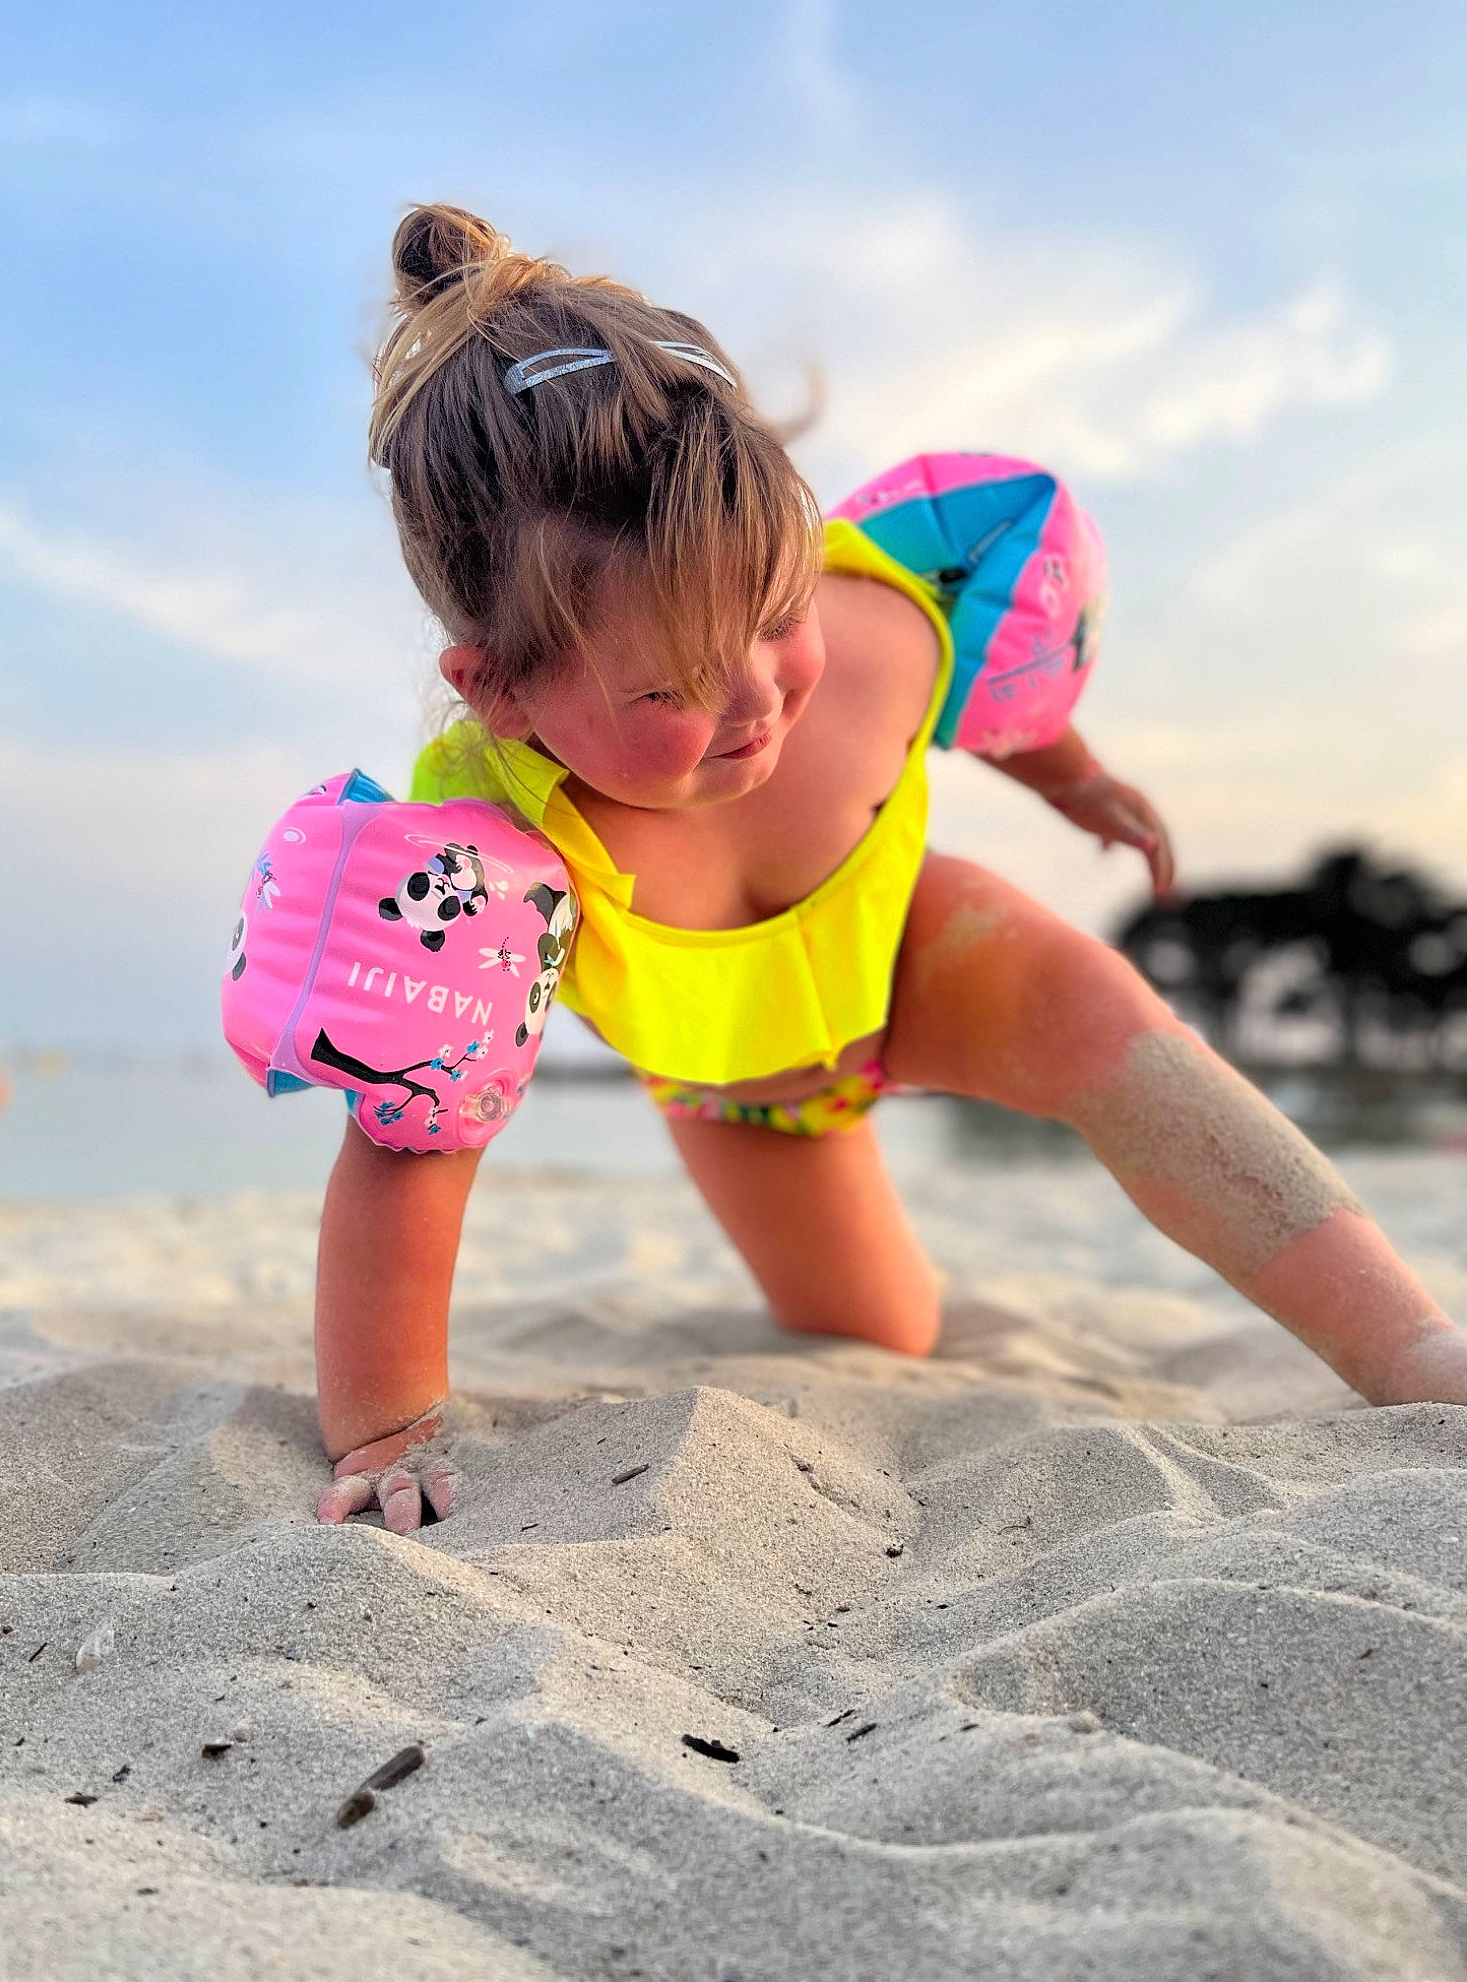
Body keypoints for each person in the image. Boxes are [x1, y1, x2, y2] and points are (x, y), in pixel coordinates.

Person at [315, 205, 1467, 1534]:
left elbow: (996, 687)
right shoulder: (494, 851)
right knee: (884, 1331)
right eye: (677, 684)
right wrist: (390, 1422)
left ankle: (1412, 1350)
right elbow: (411, 1146)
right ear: (499, 689)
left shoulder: (879, 623)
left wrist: (1071, 775)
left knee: (1118, 1031)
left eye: (776, 612)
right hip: (742, 1087)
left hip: (916, 951)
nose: (761, 696)